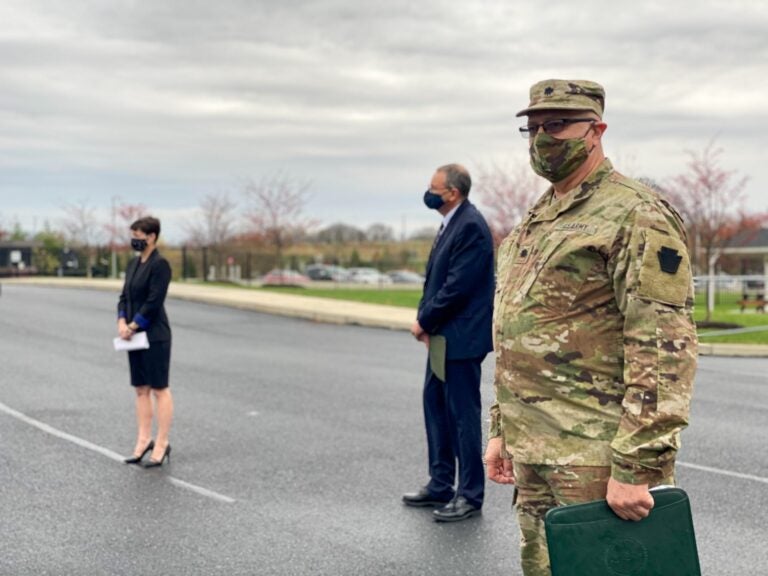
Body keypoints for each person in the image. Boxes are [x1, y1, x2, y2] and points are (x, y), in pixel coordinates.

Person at [484, 79, 698, 575]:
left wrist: (637, 466)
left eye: (557, 125)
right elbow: (517, 333)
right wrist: (502, 430)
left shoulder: (635, 212)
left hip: (596, 458)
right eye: (533, 127)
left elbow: (664, 348)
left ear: (597, 130)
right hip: (536, 449)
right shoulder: (540, 217)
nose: (543, 139)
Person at [403, 163, 495, 522]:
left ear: (452, 192)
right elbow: (435, 282)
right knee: (437, 410)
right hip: (444, 336)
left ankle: (470, 495)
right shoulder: (450, 223)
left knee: (462, 417)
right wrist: (427, 323)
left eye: (433, 187)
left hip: (462, 338)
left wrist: (425, 320)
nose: (428, 192)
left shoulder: (470, 225)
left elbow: (457, 287)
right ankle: (441, 483)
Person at [117, 216, 174, 468]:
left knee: (159, 388)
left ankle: (161, 443)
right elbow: (124, 296)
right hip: (132, 334)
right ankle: (143, 440)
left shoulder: (160, 265)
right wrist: (121, 321)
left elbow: (154, 301)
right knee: (140, 388)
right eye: (133, 235)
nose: (134, 240)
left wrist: (133, 324)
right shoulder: (132, 264)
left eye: (138, 236)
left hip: (154, 335)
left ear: (151, 237)